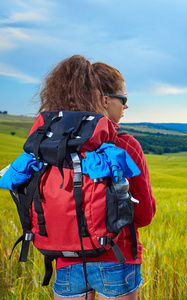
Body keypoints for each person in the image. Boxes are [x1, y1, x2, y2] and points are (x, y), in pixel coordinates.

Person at [35, 55, 156, 299]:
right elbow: (143, 215)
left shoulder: (51, 147)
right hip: (117, 259)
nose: (126, 106)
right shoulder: (125, 145)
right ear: (104, 100)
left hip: (66, 262)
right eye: (123, 99)